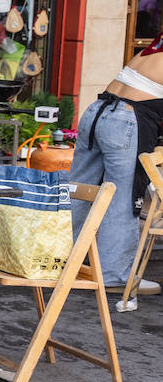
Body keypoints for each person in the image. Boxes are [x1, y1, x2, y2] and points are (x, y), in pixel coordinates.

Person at [70, 34, 163, 294]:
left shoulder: (156, 47)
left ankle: (62, 261)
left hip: (97, 111)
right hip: (126, 120)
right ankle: (114, 276)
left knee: (78, 192)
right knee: (123, 199)